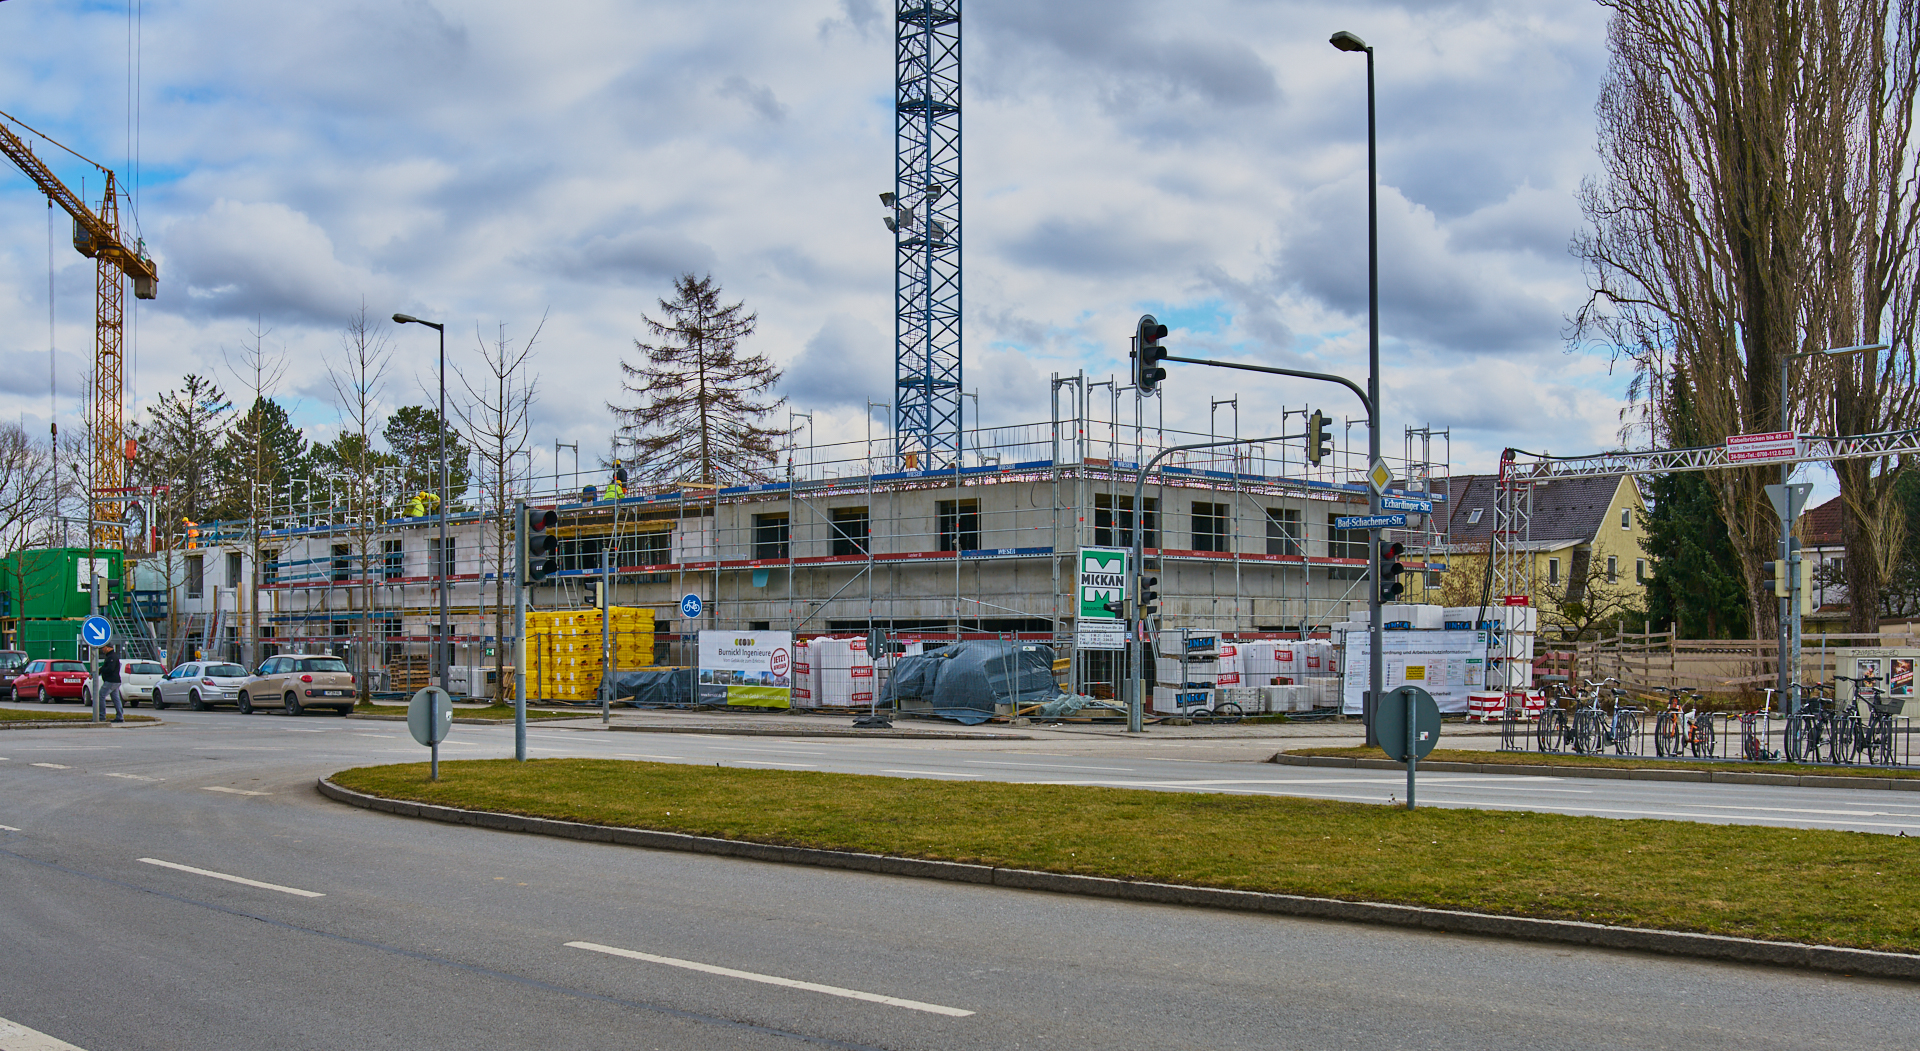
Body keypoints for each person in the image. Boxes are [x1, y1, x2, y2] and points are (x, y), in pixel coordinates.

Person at [98, 643, 124, 723]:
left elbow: (110, 669)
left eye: (103, 647)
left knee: (101, 695)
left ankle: (102, 716)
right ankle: (120, 716)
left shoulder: (112, 657)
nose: (102, 649)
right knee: (116, 699)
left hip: (111, 681)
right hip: (115, 681)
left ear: (108, 648)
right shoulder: (111, 656)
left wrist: (102, 670)